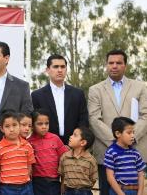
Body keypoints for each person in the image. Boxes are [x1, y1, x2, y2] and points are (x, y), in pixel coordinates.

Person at [88, 49, 147, 195]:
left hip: (135, 151)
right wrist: (118, 141)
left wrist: (130, 138)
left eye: (118, 63)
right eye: (111, 63)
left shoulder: (141, 87)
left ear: (125, 66)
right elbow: (94, 119)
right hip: (107, 152)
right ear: (106, 65)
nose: (114, 66)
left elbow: (145, 115)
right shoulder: (95, 90)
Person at [31, 54, 89, 144]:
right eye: (55, 67)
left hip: (73, 146)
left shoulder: (78, 94)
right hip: (46, 147)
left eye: (63, 67)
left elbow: (83, 120)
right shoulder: (37, 96)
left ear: (66, 70)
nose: (59, 70)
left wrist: (78, 142)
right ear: (47, 70)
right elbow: (35, 123)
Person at [27, 109, 68, 195]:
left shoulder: (55, 138)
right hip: (37, 182)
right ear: (32, 126)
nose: (44, 126)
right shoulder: (29, 142)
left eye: (46, 123)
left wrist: (63, 181)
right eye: (40, 124)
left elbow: (64, 160)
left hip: (54, 182)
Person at [0, 111, 35, 195]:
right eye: (7, 126)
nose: (11, 129)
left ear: (19, 126)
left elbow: (29, 166)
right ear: (2, 129)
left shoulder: (27, 145)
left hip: (26, 187)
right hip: (7, 188)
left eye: (14, 125)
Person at [104, 117, 146, 195]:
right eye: (129, 133)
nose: (133, 136)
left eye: (133, 132)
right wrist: (121, 193)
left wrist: (140, 192)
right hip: (118, 192)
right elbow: (110, 177)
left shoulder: (135, 153)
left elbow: (141, 174)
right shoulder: (111, 152)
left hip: (135, 192)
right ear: (118, 134)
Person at [58, 126, 98, 195]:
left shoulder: (91, 160)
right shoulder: (65, 157)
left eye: (75, 135)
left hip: (85, 192)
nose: (70, 136)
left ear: (83, 143)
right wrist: (63, 189)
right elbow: (63, 175)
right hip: (68, 191)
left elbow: (93, 179)